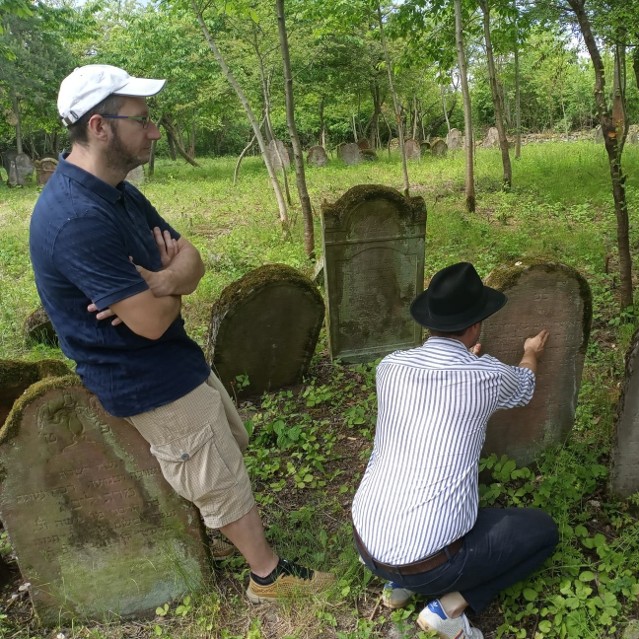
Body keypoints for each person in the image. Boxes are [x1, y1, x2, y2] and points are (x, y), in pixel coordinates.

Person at [29, 64, 332, 603]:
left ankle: (216, 533)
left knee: (227, 445)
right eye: (141, 120)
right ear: (99, 127)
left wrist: (166, 281)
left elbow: (192, 259)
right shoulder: (77, 217)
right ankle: (268, 577)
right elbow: (149, 323)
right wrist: (170, 293)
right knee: (215, 474)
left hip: (173, 358)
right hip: (142, 375)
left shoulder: (116, 192)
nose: (153, 131)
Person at [351, 262, 559, 639]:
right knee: (543, 532)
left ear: (429, 321)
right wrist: (531, 352)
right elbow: (525, 385)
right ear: (476, 325)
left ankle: (398, 585)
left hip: (367, 544)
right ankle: (448, 607)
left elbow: (436, 394)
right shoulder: (487, 377)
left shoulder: (390, 367)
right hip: (431, 564)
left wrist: (467, 358)